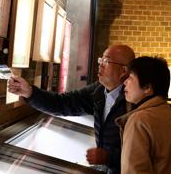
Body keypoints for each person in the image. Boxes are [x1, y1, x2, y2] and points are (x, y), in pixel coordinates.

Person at [7, 44, 135, 174]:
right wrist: (29, 92)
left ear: (123, 71)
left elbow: (140, 152)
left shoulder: (134, 101)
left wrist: (108, 158)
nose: (100, 64)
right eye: (100, 60)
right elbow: (62, 103)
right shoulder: (98, 91)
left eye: (106, 61)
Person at [116, 56, 171, 174]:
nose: (125, 82)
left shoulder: (138, 120)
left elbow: (133, 170)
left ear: (147, 88)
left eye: (131, 77)